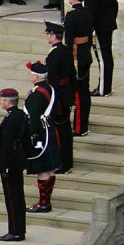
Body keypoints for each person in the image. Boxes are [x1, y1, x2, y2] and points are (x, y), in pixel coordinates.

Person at [24, 61, 61, 213]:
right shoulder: (49, 88)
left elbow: (33, 118)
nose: (29, 75)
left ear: (35, 76)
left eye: (30, 73)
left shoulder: (37, 94)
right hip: (48, 129)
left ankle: (44, 203)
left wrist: (31, 135)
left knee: (43, 169)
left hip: (40, 133)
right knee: (49, 169)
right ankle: (46, 201)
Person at [85, 0, 118, 97]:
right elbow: (114, 2)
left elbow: (91, 9)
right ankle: (106, 87)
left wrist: (90, 27)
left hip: (99, 25)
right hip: (108, 23)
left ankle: (104, 89)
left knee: (103, 58)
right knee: (106, 56)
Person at [0, 88, 28, 241]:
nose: (0, 101)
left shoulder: (10, 121)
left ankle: (15, 231)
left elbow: (6, 146)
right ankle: (19, 229)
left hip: (11, 163)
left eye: (2, 99)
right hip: (18, 160)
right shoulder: (21, 115)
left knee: (12, 198)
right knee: (18, 197)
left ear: (6, 101)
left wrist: (3, 167)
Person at [44, 21, 75, 173]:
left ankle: (63, 163)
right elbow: (72, 75)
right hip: (66, 94)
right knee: (65, 131)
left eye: (48, 34)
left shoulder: (54, 55)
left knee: (60, 132)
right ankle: (67, 161)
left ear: (53, 35)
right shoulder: (65, 50)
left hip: (58, 98)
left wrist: (51, 100)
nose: (47, 36)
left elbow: (53, 81)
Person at [64, 0, 93, 136]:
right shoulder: (87, 12)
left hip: (75, 57)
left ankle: (80, 127)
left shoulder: (71, 16)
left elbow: (68, 41)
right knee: (84, 90)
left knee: (78, 93)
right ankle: (83, 124)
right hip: (85, 55)